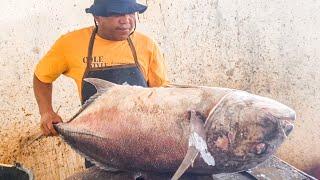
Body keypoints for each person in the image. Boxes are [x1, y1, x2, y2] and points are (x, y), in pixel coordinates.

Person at [33, 0, 169, 168]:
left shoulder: (147, 45)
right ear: (98, 17)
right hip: (97, 145)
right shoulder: (70, 44)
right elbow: (41, 77)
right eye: (117, 14)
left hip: (142, 142)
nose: (126, 20)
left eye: (131, 13)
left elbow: (160, 94)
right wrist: (46, 112)